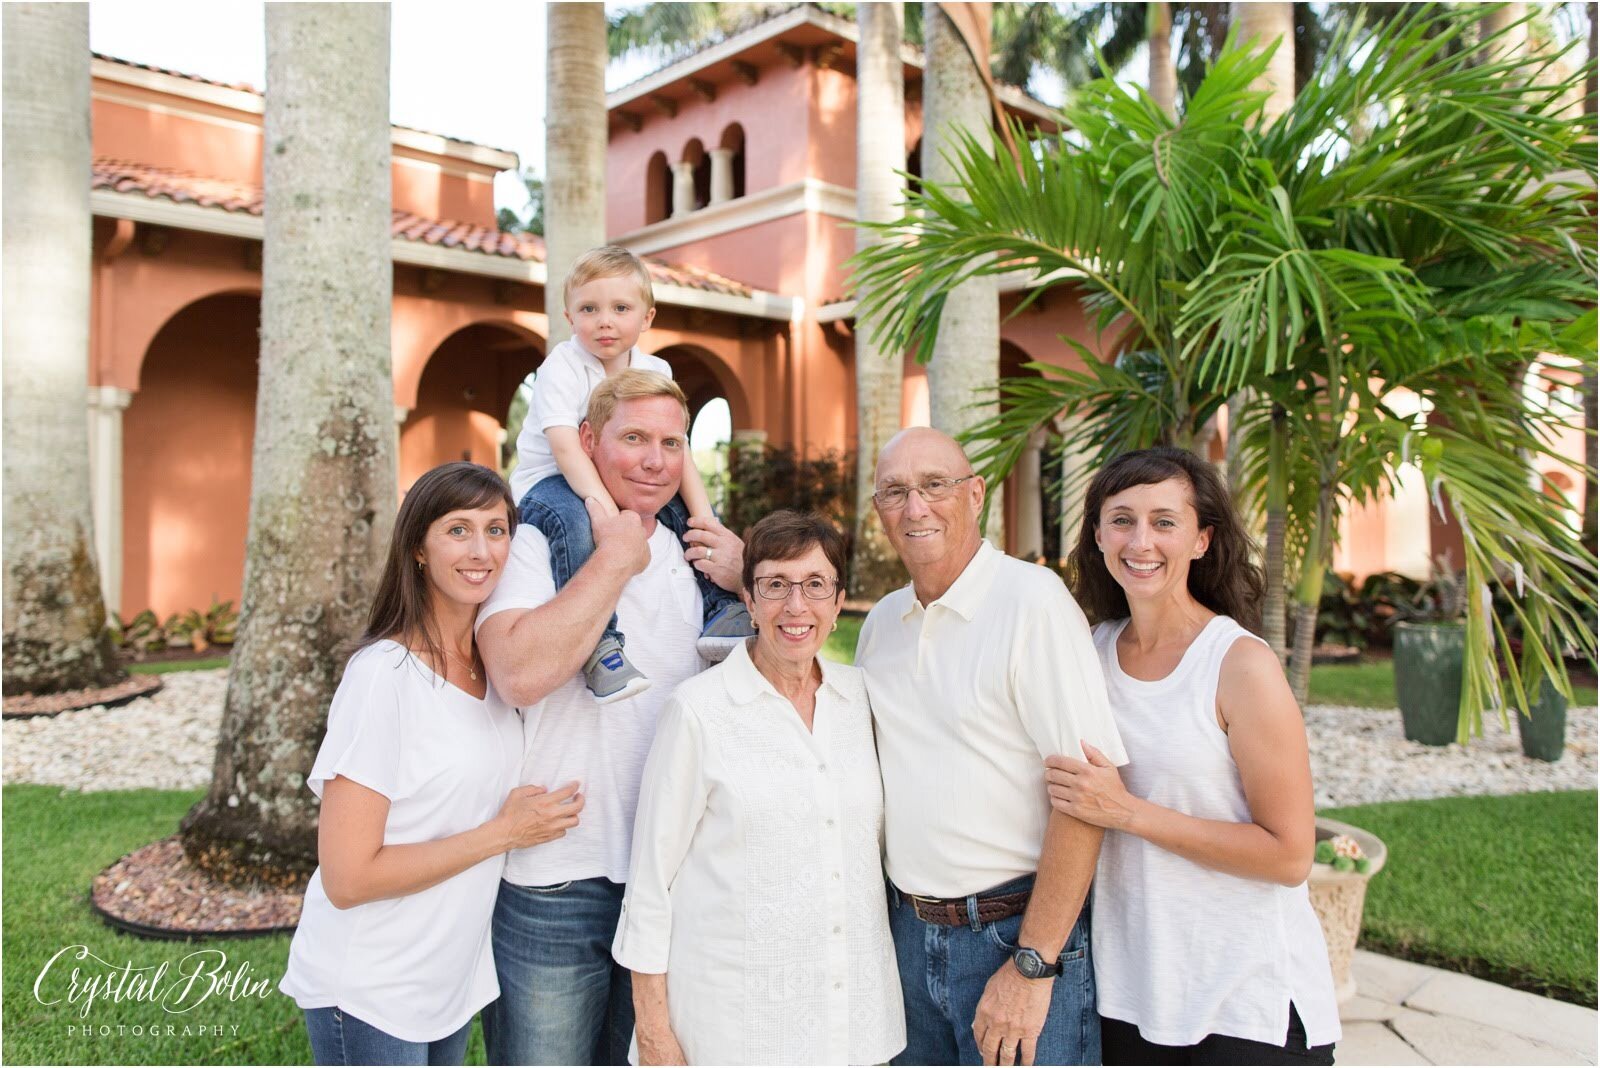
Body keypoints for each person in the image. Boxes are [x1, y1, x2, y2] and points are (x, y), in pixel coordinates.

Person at [477, 370, 749, 1067]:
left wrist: (749, 577)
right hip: (557, 877)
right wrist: (614, 561)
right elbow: (519, 674)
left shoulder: (702, 558)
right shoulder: (539, 539)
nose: (656, 460)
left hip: (669, 877)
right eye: (634, 439)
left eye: (671, 443)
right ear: (589, 442)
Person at [279, 462, 584, 1066]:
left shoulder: (492, 672)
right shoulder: (382, 678)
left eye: (497, 530)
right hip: (371, 984)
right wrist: (505, 833)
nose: (482, 551)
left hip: (448, 982)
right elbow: (348, 878)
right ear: (418, 547)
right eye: (458, 530)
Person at [1042, 446, 1340, 1065]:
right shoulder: (1086, 651)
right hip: (1131, 996)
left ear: (1202, 540)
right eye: (1121, 519)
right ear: (1097, 533)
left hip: (1244, 1004)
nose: (1140, 540)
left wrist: (1127, 813)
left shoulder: (1239, 664)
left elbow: (1289, 855)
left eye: (1164, 521)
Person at [856, 427, 1127, 1067]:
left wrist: (1032, 967)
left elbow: (1088, 797)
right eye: (895, 491)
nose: (914, 507)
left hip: (1013, 938)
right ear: (878, 511)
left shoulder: (1032, 602)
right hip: (904, 935)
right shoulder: (879, 626)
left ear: (975, 494)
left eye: (934, 486)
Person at [614, 511, 907, 1066]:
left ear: (838, 600)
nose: (796, 607)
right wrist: (653, 1031)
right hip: (737, 1031)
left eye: (815, 586)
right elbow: (651, 884)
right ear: (748, 599)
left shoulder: (862, 699)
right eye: (775, 586)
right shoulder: (699, 710)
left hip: (854, 1025)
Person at [508, 245, 753, 703]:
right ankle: (602, 645)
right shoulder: (561, 366)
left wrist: (708, 522)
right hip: (553, 480)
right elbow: (565, 447)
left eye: (620, 308)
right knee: (576, 526)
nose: (604, 321)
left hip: (602, 476)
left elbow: (680, 451)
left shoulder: (655, 369)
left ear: (647, 317)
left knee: (682, 514)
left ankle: (721, 609)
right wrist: (603, 510)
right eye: (589, 309)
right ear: (568, 316)